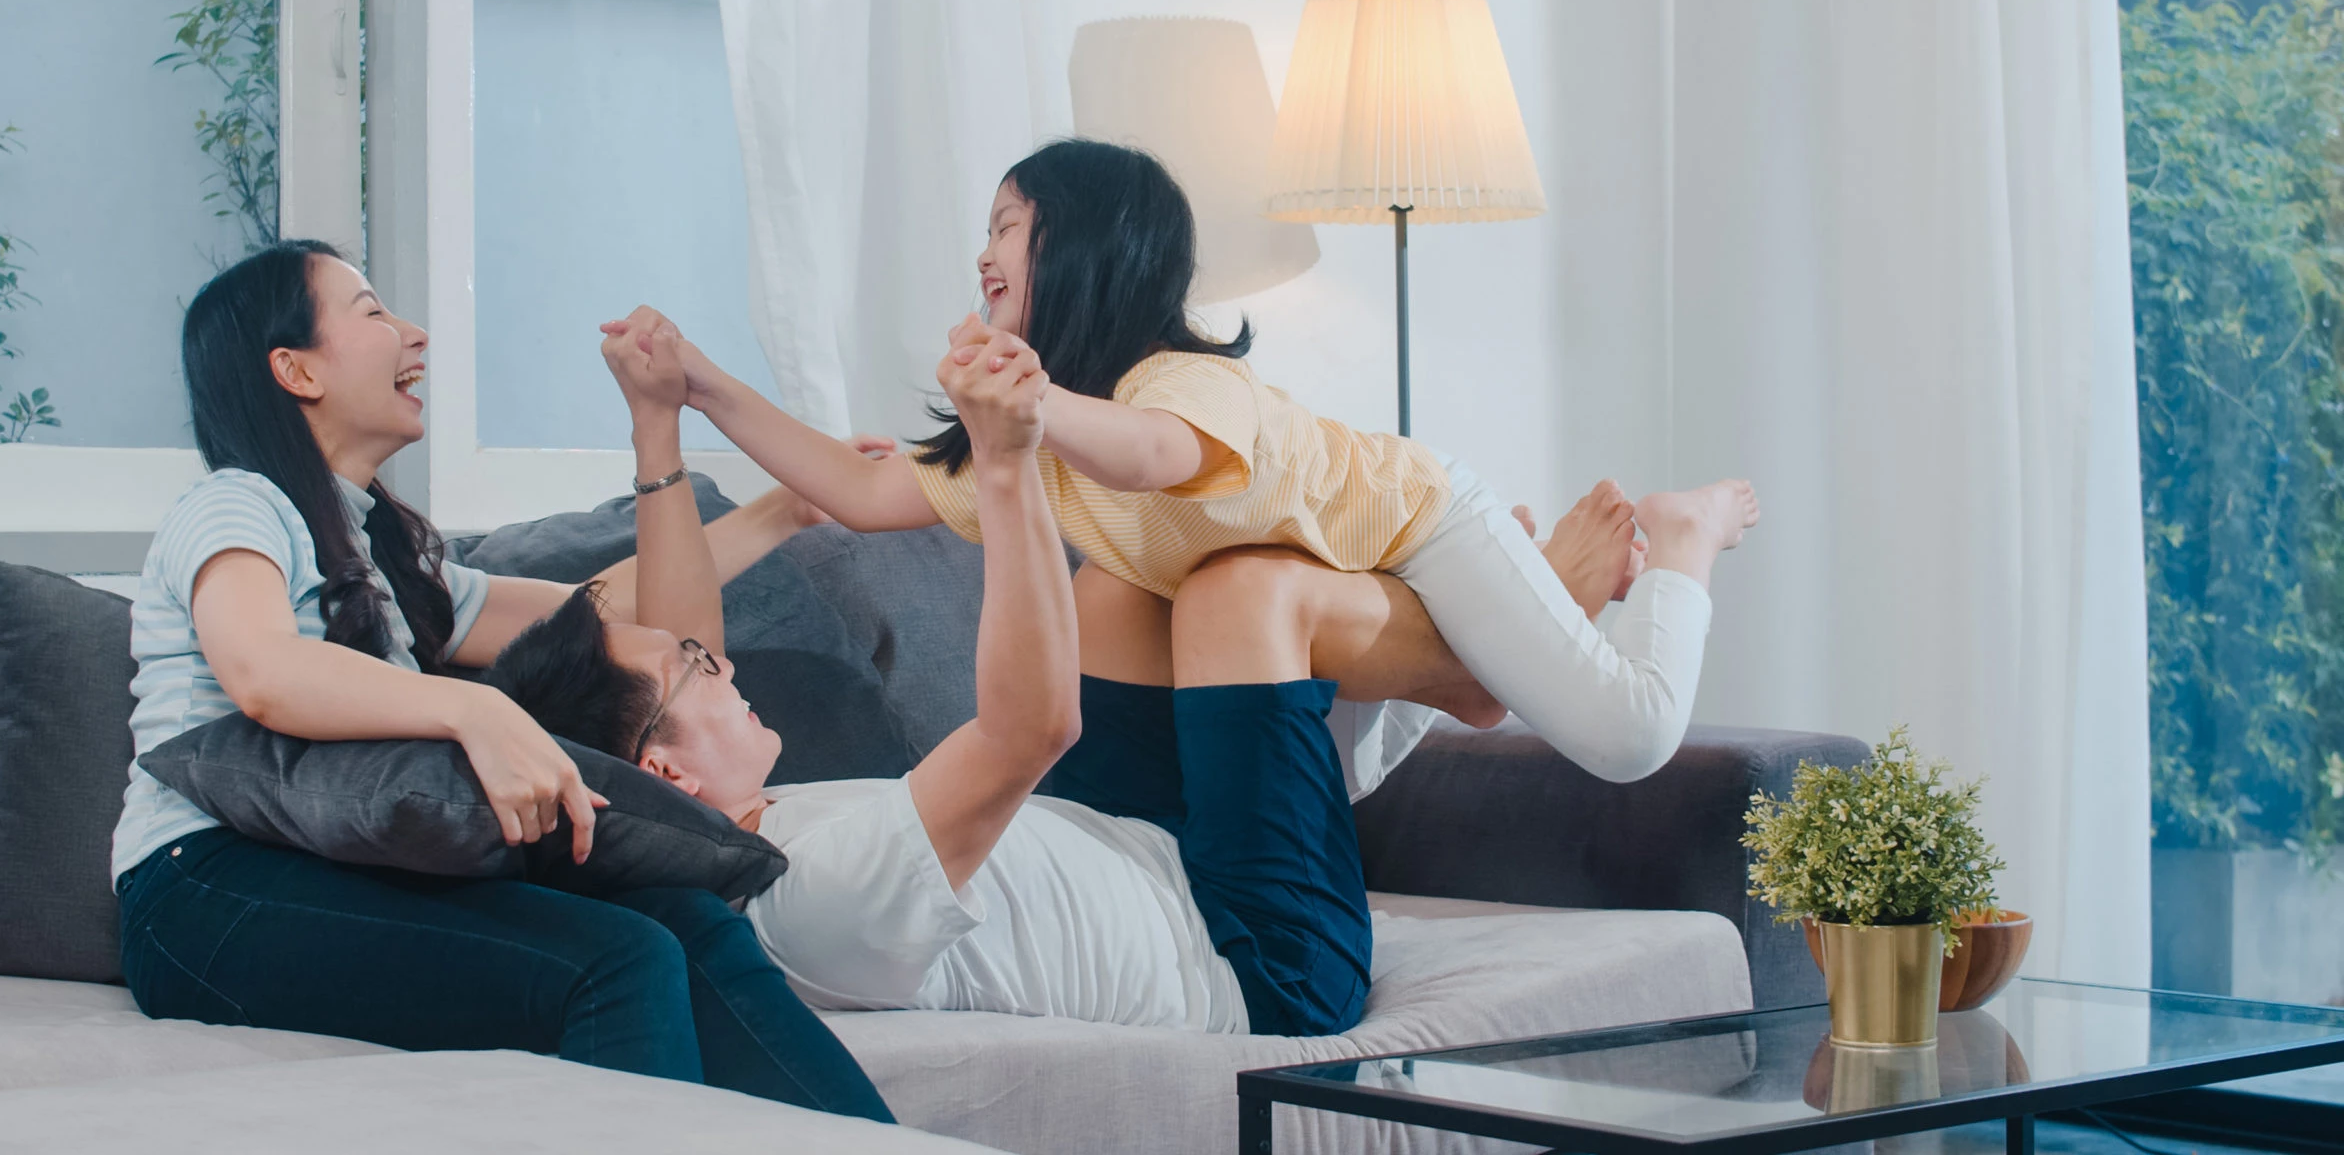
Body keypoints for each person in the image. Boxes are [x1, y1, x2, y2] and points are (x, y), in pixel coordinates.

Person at [487, 305, 1646, 1037]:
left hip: (1148, 840)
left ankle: (1463, 663)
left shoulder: (715, 834)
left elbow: (677, 648)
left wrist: (661, 415)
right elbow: (1030, 723)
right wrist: (1005, 461)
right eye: (696, 675)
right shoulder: (814, 881)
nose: (717, 659)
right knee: (1250, 592)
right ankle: (1480, 654)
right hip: (1262, 959)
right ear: (668, 771)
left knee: (1124, 591)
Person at [639, 138, 1758, 789]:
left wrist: (1029, 408)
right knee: (1334, 785)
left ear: (1084, 249)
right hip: (1295, 601)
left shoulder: (1175, 383)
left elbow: (1155, 456)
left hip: (1417, 529)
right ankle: (1487, 652)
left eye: (1006, 225)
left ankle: (1686, 531)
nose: (981, 252)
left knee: (1628, 735)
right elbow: (860, 488)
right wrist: (702, 386)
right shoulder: (1040, 437)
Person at [114, 240, 891, 1122]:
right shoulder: (236, 505)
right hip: (201, 892)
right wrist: (470, 708)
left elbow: (616, 614)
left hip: (337, 866)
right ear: (295, 369)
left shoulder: (385, 557)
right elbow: (263, 671)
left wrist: (783, 508)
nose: (416, 335)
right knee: (615, 961)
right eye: (372, 313)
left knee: (688, 921)